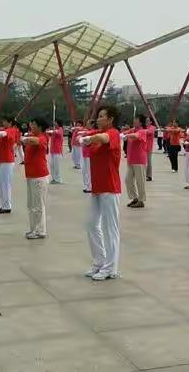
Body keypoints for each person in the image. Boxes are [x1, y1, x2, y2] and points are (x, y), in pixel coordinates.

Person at [79, 105, 121, 281]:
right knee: (91, 225)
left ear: (110, 119)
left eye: (102, 116)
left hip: (110, 188)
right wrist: (87, 137)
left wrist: (90, 137)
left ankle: (111, 268)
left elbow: (102, 137)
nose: (99, 118)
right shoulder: (96, 134)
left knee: (110, 228)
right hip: (97, 188)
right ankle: (99, 262)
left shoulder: (113, 133)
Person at [21, 117, 50, 239]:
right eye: (31, 124)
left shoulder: (42, 138)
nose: (31, 126)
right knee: (31, 204)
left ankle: (40, 230)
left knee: (38, 205)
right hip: (31, 175)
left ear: (40, 127)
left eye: (33, 124)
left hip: (39, 176)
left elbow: (35, 141)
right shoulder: (32, 137)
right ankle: (34, 229)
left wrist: (25, 138)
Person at [122, 114, 148, 208]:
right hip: (131, 159)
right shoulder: (133, 129)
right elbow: (126, 132)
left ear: (140, 122)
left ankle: (141, 200)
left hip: (139, 160)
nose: (134, 121)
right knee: (128, 179)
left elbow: (136, 136)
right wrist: (123, 134)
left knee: (140, 181)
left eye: (136, 119)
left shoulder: (142, 131)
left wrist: (127, 135)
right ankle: (135, 198)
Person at [79, 119, 95, 193]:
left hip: (89, 155)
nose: (87, 125)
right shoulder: (87, 132)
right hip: (85, 154)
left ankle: (90, 187)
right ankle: (86, 186)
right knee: (84, 171)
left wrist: (83, 139)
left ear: (92, 125)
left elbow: (88, 142)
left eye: (88, 124)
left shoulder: (93, 132)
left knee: (89, 171)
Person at [47, 119, 64, 184]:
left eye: (56, 123)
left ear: (58, 123)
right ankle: (54, 178)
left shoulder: (60, 129)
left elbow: (58, 133)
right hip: (52, 151)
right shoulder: (55, 130)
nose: (54, 124)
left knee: (57, 166)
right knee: (52, 165)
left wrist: (52, 131)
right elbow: (51, 134)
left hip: (57, 151)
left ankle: (58, 179)